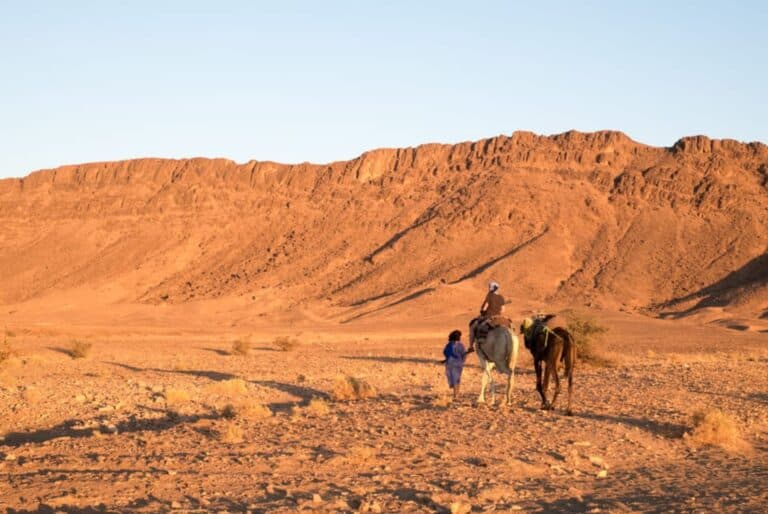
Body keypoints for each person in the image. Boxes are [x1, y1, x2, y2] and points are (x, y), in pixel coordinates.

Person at [443, 329, 467, 401]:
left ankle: (455, 394)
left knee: (452, 378)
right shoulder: (460, 345)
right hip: (458, 364)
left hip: (449, 364)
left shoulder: (448, 345)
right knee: (457, 379)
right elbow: (464, 355)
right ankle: (456, 395)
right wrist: (462, 361)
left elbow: (445, 352)